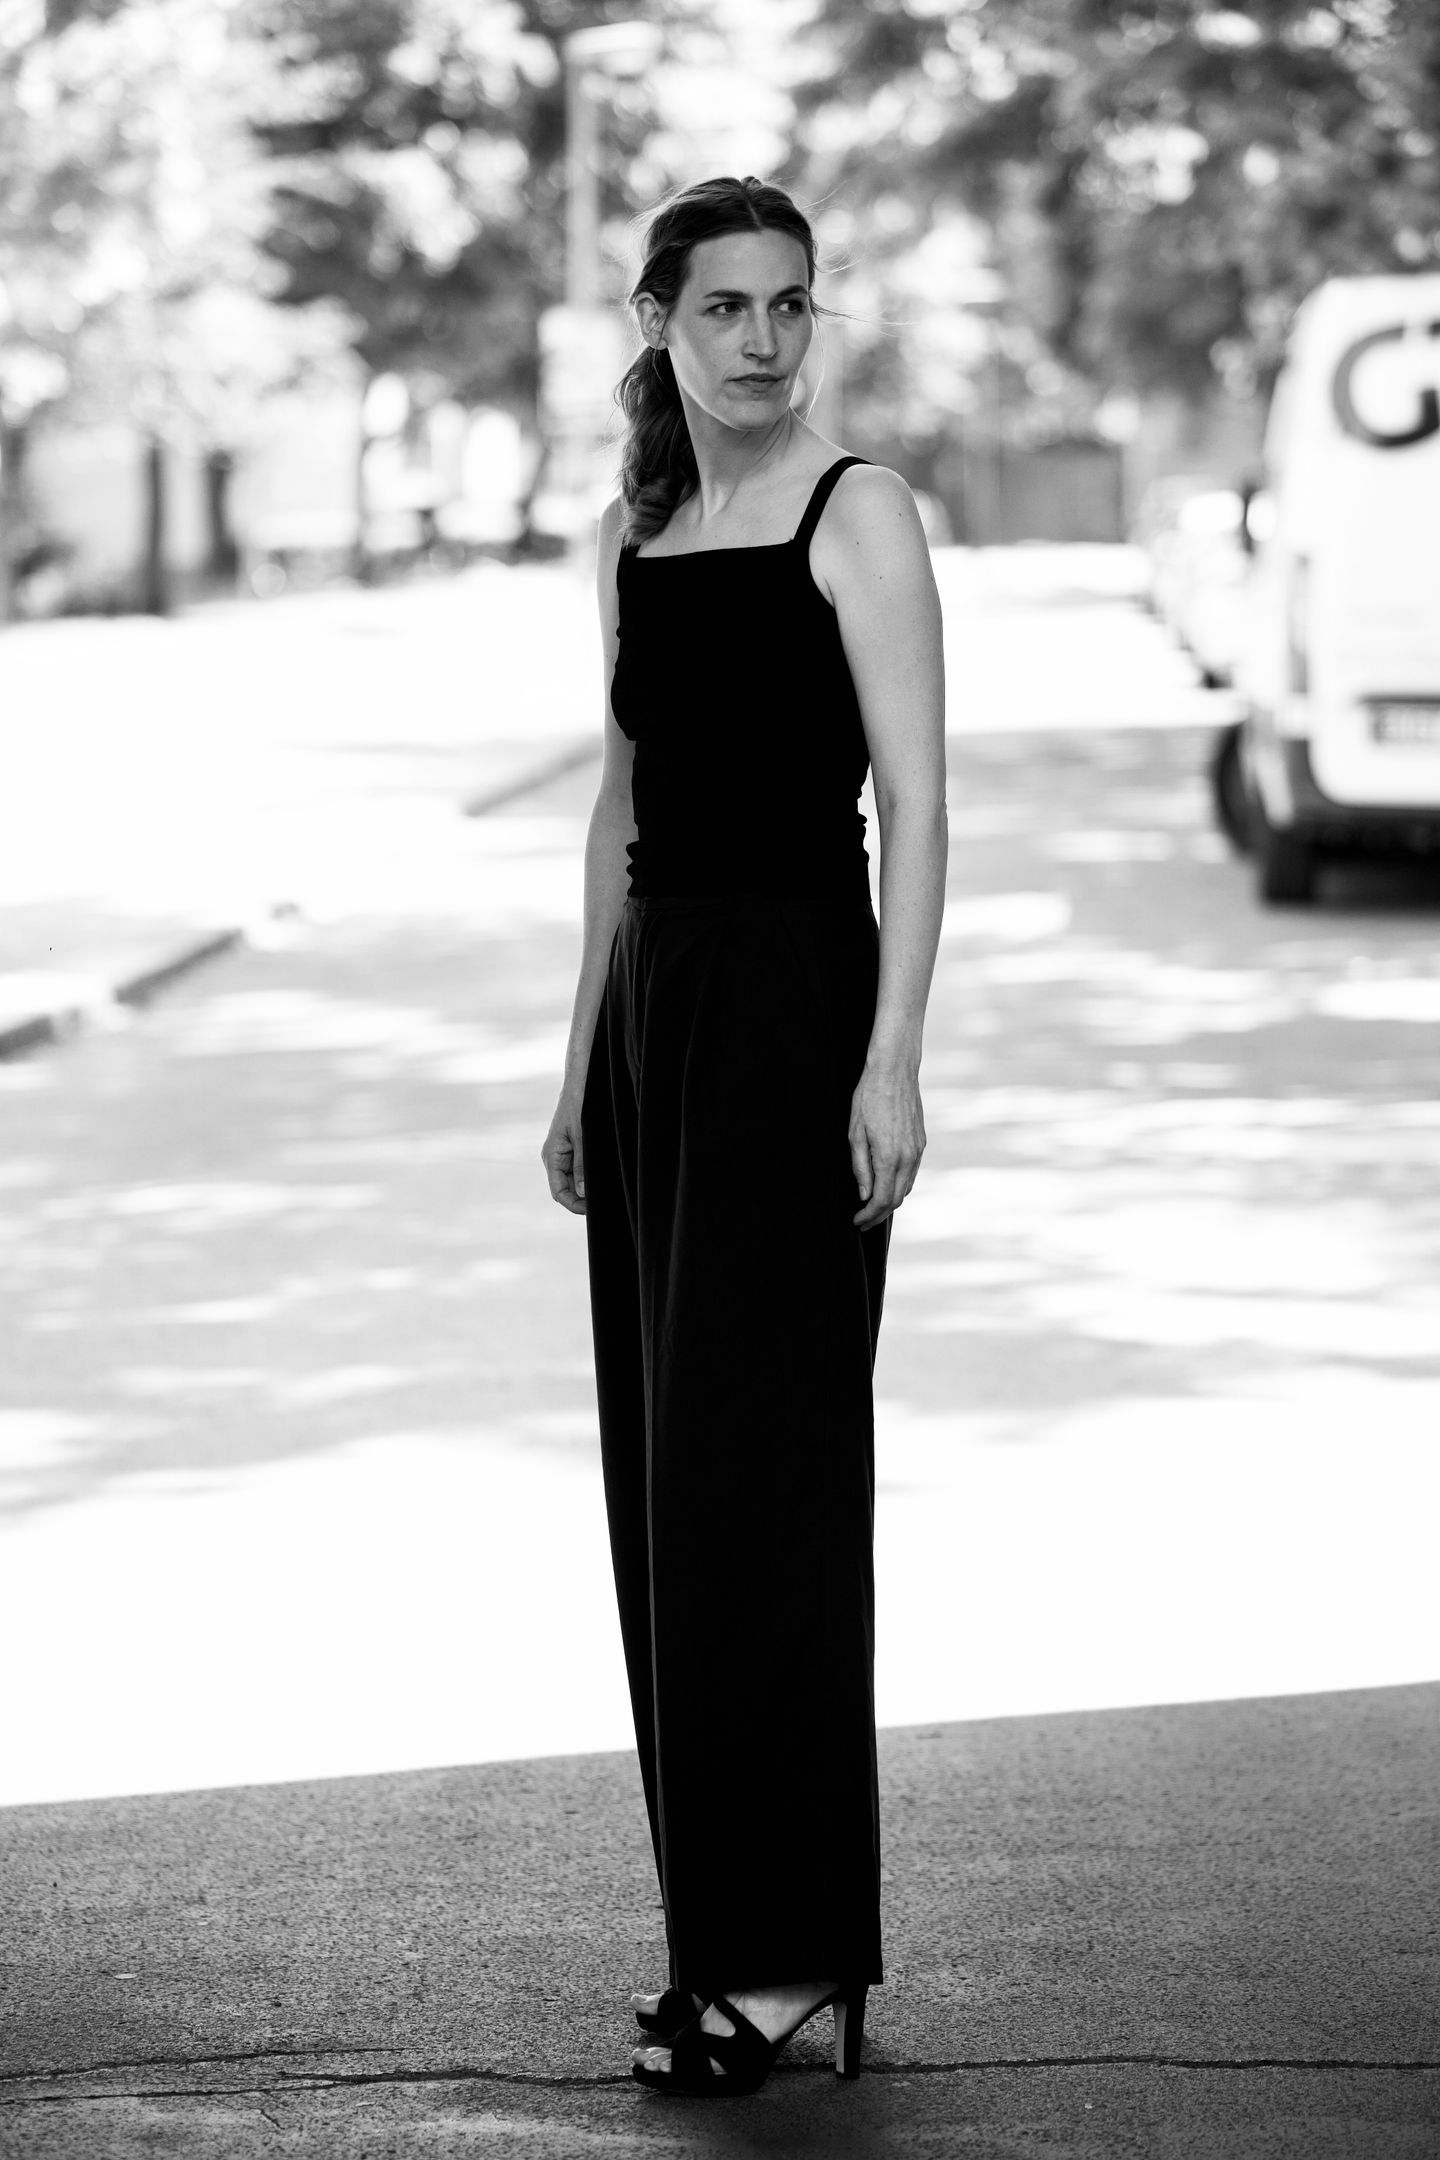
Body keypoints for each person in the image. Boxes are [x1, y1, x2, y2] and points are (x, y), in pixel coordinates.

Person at [541, 174, 947, 2098]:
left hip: (796, 1016)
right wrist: (576, 1069)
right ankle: (724, 1935)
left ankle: (787, 1963)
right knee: (668, 1495)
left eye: (791, 304)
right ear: (660, 323)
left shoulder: (858, 513)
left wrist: (893, 1060)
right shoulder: (632, 541)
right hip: (656, 1027)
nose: (767, 339)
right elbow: (619, 823)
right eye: (726, 307)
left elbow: (919, 809)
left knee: (768, 1483)